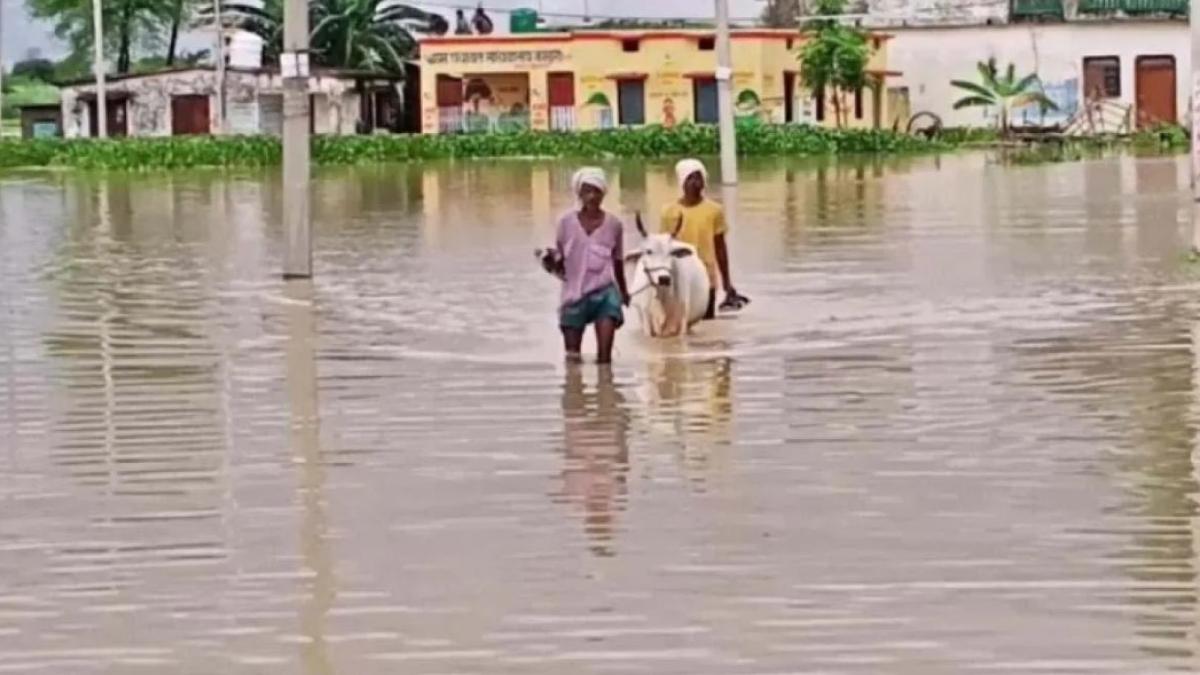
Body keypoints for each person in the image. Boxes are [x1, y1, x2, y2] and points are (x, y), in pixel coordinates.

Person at [553, 168, 631, 364]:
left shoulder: (614, 225)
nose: (592, 196)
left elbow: (618, 260)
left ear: (603, 193)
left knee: (605, 359)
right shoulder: (565, 223)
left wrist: (623, 292)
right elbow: (559, 258)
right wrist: (551, 261)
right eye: (587, 191)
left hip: (605, 294)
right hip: (574, 296)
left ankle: (606, 391)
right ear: (579, 193)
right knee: (573, 359)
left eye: (597, 191)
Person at [660, 159, 749, 319]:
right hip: (679, 280)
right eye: (690, 178)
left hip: (706, 279)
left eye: (698, 177)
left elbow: (720, 247)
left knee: (706, 325)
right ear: (682, 181)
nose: (695, 182)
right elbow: (663, 248)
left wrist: (726, 283)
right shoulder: (668, 212)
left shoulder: (714, 210)